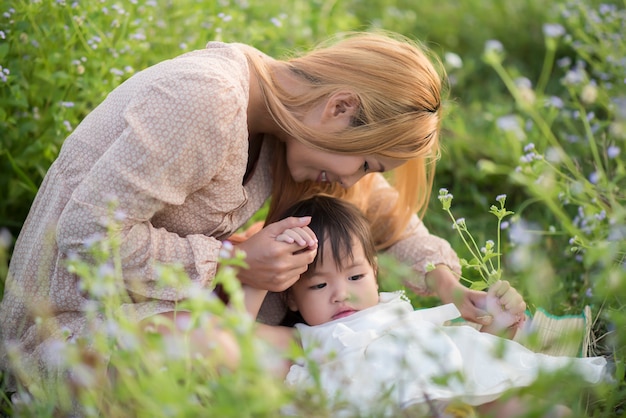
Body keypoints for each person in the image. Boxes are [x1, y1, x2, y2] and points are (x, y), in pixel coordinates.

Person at [2, 30, 488, 390]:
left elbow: (384, 214)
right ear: (340, 107)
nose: (353, 180)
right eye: (364, 162)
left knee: (321, 346)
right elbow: (87, 234)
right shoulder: (205, 100)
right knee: (235, 353)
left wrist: (449, 284)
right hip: (70, 335)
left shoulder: (285, 130)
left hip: (178, 322)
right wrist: (233, 261)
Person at [245, 195, 608, 418]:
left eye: (355, 277)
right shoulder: (304, 340)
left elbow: (467, 355)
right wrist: (261, 274)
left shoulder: (400, 314)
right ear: (290, 294)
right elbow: (236, 332)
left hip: (464, 399)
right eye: (320, 285)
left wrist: (497, 324)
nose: (342, 294)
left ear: (374, 274)